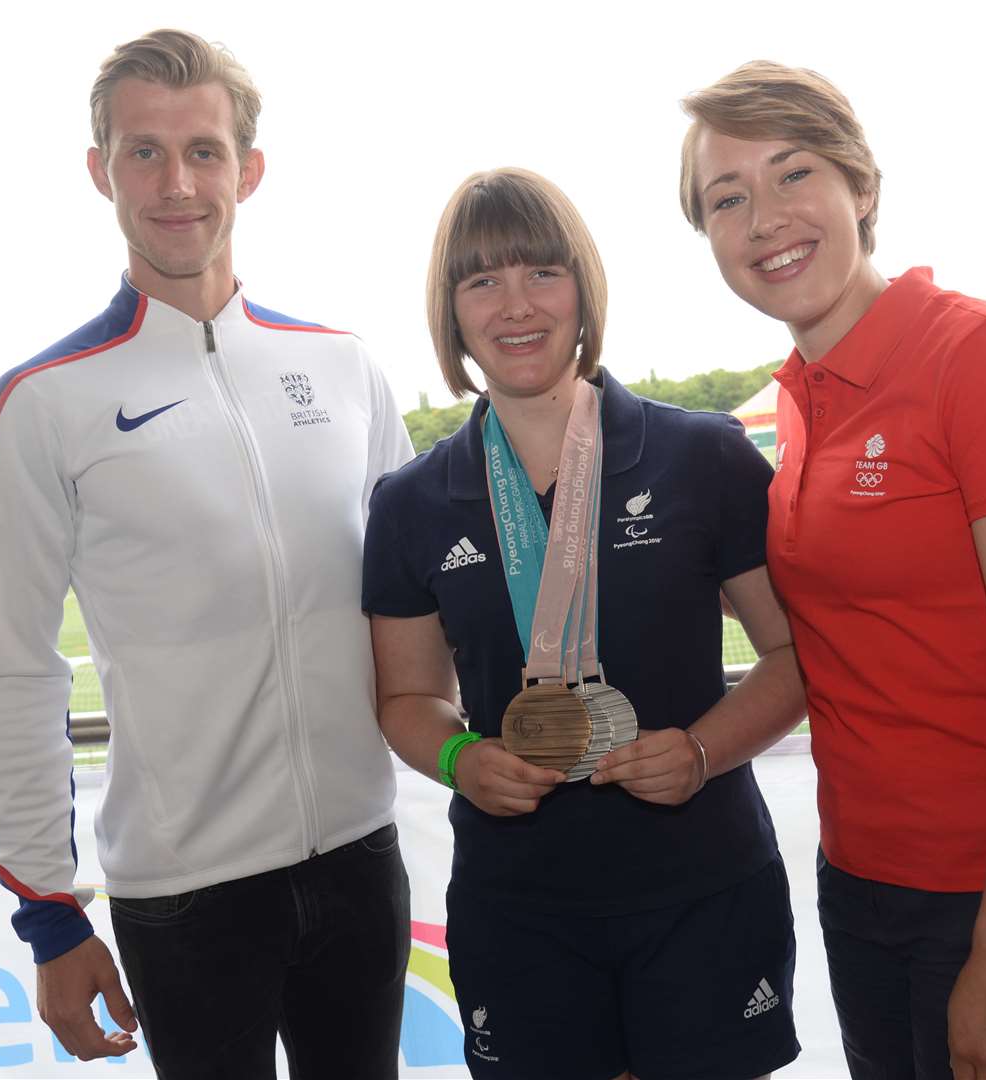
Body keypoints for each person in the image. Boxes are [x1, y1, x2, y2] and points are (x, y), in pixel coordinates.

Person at [677, 61, 986, 1079]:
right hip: (869, 888)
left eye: (793, 174)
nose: (764, 217)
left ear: (860, 189)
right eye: (726, 198)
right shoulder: (798, 399)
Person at [0, 29, 414, 1079]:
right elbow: (11, 670)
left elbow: (414, 609)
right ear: (99, 171)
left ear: (247, 171)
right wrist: (50, 914)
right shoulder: (45, 402)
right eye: (143, 152)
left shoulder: (343, 367)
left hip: (361, 860)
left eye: (204, 151)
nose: (177, 184)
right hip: (187, 895)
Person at [362, 168, 805, 1080]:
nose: (516, 305)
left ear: (582, 289)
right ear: (451, 313)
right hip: (519, 906)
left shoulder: (702, 456)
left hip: (702, 889)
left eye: (541, 273)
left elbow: (797, 658)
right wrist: (458, 759)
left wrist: (701, 752)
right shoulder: (412, 502)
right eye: (482, 280)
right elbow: (407, 697)